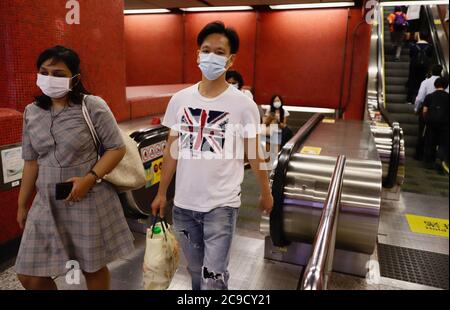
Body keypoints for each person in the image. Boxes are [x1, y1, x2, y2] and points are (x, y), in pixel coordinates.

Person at [151, 21, 273, 290]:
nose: (211, 57)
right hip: (183, 205)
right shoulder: (180, 100)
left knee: (213, 278)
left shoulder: (243, 105)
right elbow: (171, 150)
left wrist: (266, 191)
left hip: (221, 205)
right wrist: (161, 193)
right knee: (195, 271)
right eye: (206, 50)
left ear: (230, 60)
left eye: (219, 52)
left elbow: (255, 151)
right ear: (197, 55)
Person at [15, 46, 134, 290]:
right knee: (29, 276)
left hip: (87, 198)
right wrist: (22, 203)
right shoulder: (31, 112)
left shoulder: (91, 106)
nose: (50, 79)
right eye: (44, 72)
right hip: (46, 201)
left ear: (75, 78)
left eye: (58, 74)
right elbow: (30, 161)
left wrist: (89, 179)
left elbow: (116, 148)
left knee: (92, 266)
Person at [414, 65, 449, 160]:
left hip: (429, 114)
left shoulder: (425, 82)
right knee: (441, 138)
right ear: (441, 72)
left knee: (423, 134)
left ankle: (420, 155)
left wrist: (417, 110)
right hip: (444, 117)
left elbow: (419, 98)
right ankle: (437, 157)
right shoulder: (446, 85)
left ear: (431, 71)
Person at [422, 77, 449, 171]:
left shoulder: (429, 96)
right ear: (446, 86)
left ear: (435, 85)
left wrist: (426, 119)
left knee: (430, 141)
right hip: (445, 124)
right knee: (443, 143)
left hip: (431, 122)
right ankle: (439, 158)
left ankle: (428, 162)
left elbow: (425, 110)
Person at [406, 31, 433, 103]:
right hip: (424, 67)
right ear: (427, 37)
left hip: (414, 65)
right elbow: (430, 57)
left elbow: (411, 55)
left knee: (412, 80)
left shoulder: (413, 46)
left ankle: (409, 99)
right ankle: (420, 100)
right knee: (422, 81)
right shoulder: (430, 47)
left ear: (419, 36)